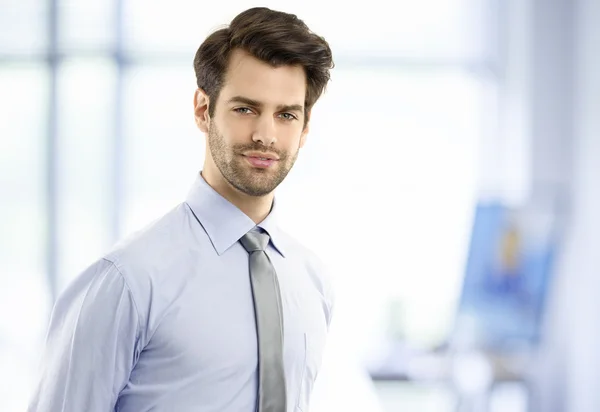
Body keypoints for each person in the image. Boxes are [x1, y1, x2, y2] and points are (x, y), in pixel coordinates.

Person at [28, 7, 335, 412]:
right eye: (245, 109)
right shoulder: (128, 281)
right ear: (202, 109)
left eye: (286, 115)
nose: (266, 135)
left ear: (305, 127)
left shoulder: (311, 280)